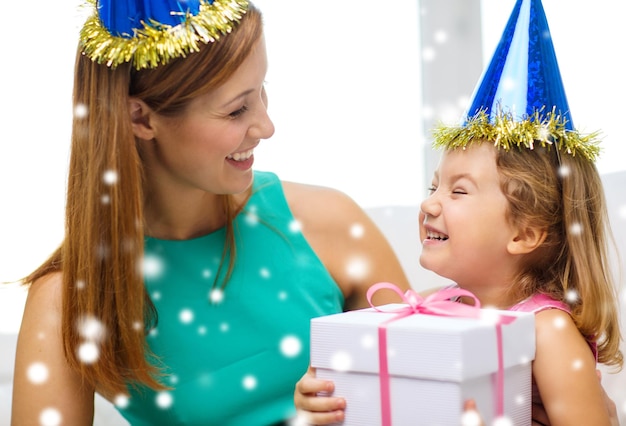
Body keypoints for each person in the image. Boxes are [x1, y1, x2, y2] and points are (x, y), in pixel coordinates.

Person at [10, 1, 412, 425]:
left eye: (261, 92)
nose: (266, 125)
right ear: (140, 117)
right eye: (237, 109)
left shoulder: (328, 223)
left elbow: (434, 382)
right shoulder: (69, 300)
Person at [294, 0, 623, 424]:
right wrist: (318, 399)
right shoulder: (430, 306)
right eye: (434, 186)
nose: (430, 203)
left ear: (524, 233)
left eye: (458, 191)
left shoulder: (548, 334)